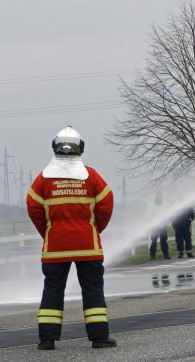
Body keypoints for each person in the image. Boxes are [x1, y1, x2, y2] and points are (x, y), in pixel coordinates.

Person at [26, 126, 117, 350]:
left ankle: (47, 340)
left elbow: (33, 207)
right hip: (88, 246)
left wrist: (48, 231)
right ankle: (99, 338)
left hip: (55, 247)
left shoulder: (43, 179)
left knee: (52, 290)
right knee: (93, 289)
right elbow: (106, 205)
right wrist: (94, 229)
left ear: (55, 146)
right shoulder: (92, 176)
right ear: (81, 148)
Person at [148, 191, 171, 260]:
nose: (158, 197)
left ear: (161, 196)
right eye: (157, 195)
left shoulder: (166, 203)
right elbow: (148, 214)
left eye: (160, 195)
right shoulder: (151, 204)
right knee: (153, 240)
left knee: (163, 240)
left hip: (163, 225)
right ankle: (152, 255)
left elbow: (171, 211)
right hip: (154, 225)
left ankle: (166, 255)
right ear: (155, 196)